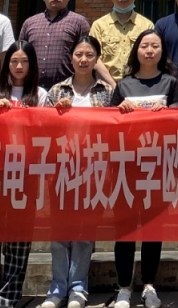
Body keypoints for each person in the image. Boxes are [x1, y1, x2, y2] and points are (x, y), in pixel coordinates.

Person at [110, 30, 178, 308]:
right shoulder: (124, 85)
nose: (150, 50)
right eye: (144, 45)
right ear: (136, 51)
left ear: (162, 51)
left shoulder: (170, 83)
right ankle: (123, 288)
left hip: (158, 168)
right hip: (127, 168)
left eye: (155, 46)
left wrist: (166, 114)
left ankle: (149, 285)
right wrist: (119, 109)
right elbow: (107, 124)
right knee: (125, 231)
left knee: (154, 230)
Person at [0, 42, 49, 308]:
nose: (19, 67)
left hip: (26, 173)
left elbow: (48, 131)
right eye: (14, 61)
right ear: (5, 65)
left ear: (32, 65)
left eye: (24, 62)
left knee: (19, 238)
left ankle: (9, 295)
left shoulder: (40, 94)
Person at [41, 36, 114, 308]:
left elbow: (115, 129)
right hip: (61, 169)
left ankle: (78, 288)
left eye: (89, 54)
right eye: (79, 54)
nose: (83, 59)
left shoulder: (107, 92)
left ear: (97, 59)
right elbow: (42, 130)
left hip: (93, 168)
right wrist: (56, 116)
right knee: (60, 232)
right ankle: (57, 287)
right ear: (71, 58)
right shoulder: (57, 91)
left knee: (84, 232)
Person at [17, 0, 93, 91]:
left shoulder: (79, 22)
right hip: (32, 89)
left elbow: (88, 55)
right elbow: (20, 54)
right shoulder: (30, 23)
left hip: (67, 89)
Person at [90, 0, 156, 85]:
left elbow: (150, 57)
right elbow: (94, 57)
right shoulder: (99, 25)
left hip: (138, 84)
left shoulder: (147, 25)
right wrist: (113, 84)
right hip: (105, 85)